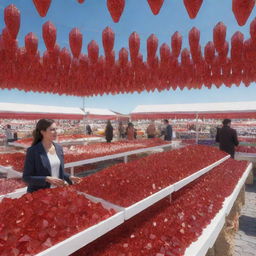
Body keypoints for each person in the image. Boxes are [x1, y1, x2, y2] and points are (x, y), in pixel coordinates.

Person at [23, 119, 81, 193]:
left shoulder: (59, 148)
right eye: (52, 129)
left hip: (56, 192)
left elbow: (58, 171)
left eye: (56, 129)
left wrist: (70, 177)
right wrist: (46, 179)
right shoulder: (33, 151)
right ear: (43, 132)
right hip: (39, 194)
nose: (56, 132)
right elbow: (26, 177)